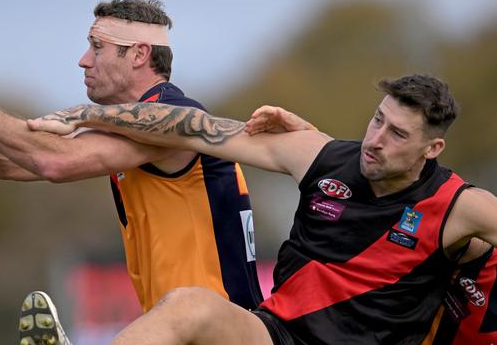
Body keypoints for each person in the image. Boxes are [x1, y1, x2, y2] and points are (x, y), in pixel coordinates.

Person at [0, 0, 314, 344]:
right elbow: (8, 163)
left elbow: (52, 161)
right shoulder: (132, 129)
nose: (82, 60)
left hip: (217, 330)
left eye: (97, 46)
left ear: (139, 54)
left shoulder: (171, 117)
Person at [27, 74, 497, 344]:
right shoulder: (322, 155)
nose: (375, 139)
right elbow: (191, 127)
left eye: (397, 134)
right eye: (378, 120)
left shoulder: (460, 206)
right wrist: (84, 115)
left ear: (431, 148)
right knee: (190, 306)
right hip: (275, 336)